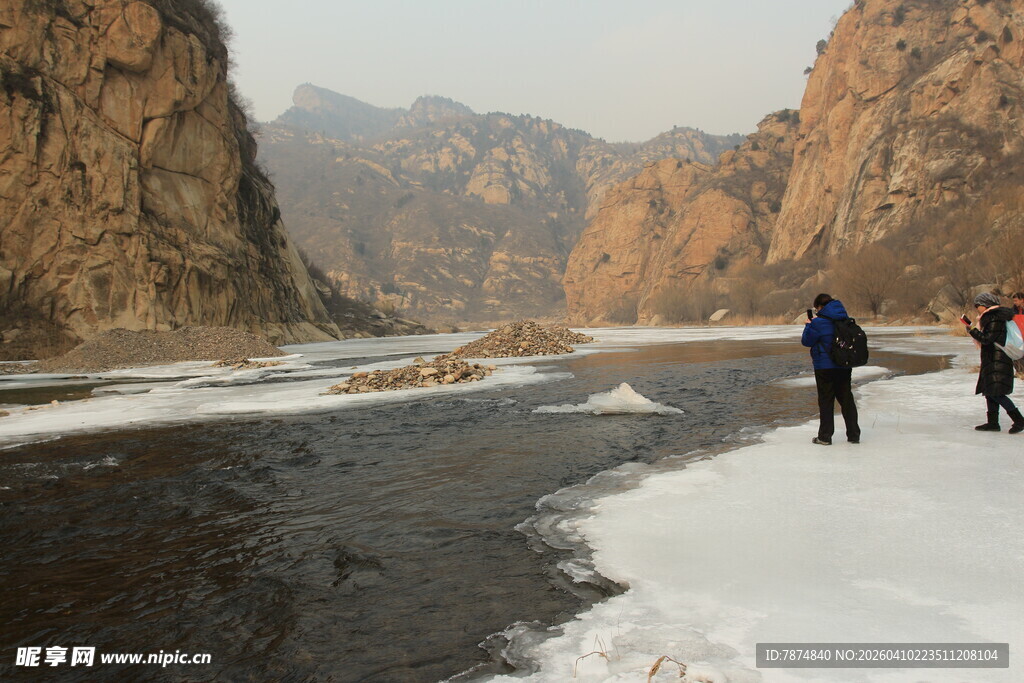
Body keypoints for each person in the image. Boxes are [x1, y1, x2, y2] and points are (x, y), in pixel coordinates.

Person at [801, 293, 861, 445]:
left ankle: (825, 437)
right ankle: (854, 435)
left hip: (824, 367)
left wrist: (809, 324)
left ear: (820, 307)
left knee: (826, 401)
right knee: (846, 400)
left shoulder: (819, 323)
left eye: (816, 309)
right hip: (843, 365)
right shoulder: (845, 319)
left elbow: (806, 341)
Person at [967, 292, 1023, 434]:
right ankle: (993, 423)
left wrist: (972, 330)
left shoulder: (994, 318)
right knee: (990, 391)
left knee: (997, 393)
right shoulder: (994, 317)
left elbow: (987, 339)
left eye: (978, 305)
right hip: (993, 359)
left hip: (997, 360)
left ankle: (1019, 420)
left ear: (985, 305)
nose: (977, 308)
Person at [1013, 292, 1024, 377]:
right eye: (1014, 301)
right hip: (1017, 337)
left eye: (1016, 300)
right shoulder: (1012, 311)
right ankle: (1019, 371)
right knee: (1016, 355)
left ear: (1022, 300)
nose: (1014, 302)